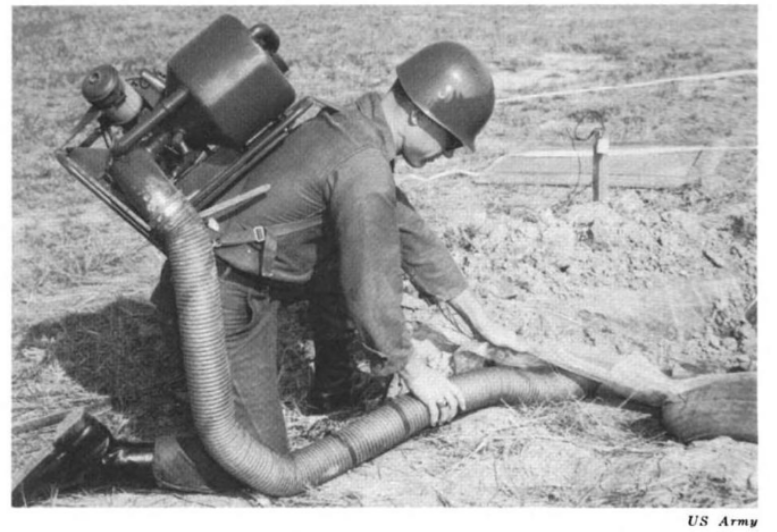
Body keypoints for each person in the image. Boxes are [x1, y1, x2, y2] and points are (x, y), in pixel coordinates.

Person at [13, 40, 526, 504]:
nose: (452, 152)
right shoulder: (365, 168)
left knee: (341, 245)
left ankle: (336, 387)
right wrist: (414, 370)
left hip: (231, 276)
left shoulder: (350, 122)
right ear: (418, 113)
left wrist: (484, 324)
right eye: (451, 138)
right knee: (263, 465)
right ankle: (103, 458)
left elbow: (412, 235)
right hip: (217, 301)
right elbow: (372, 289)